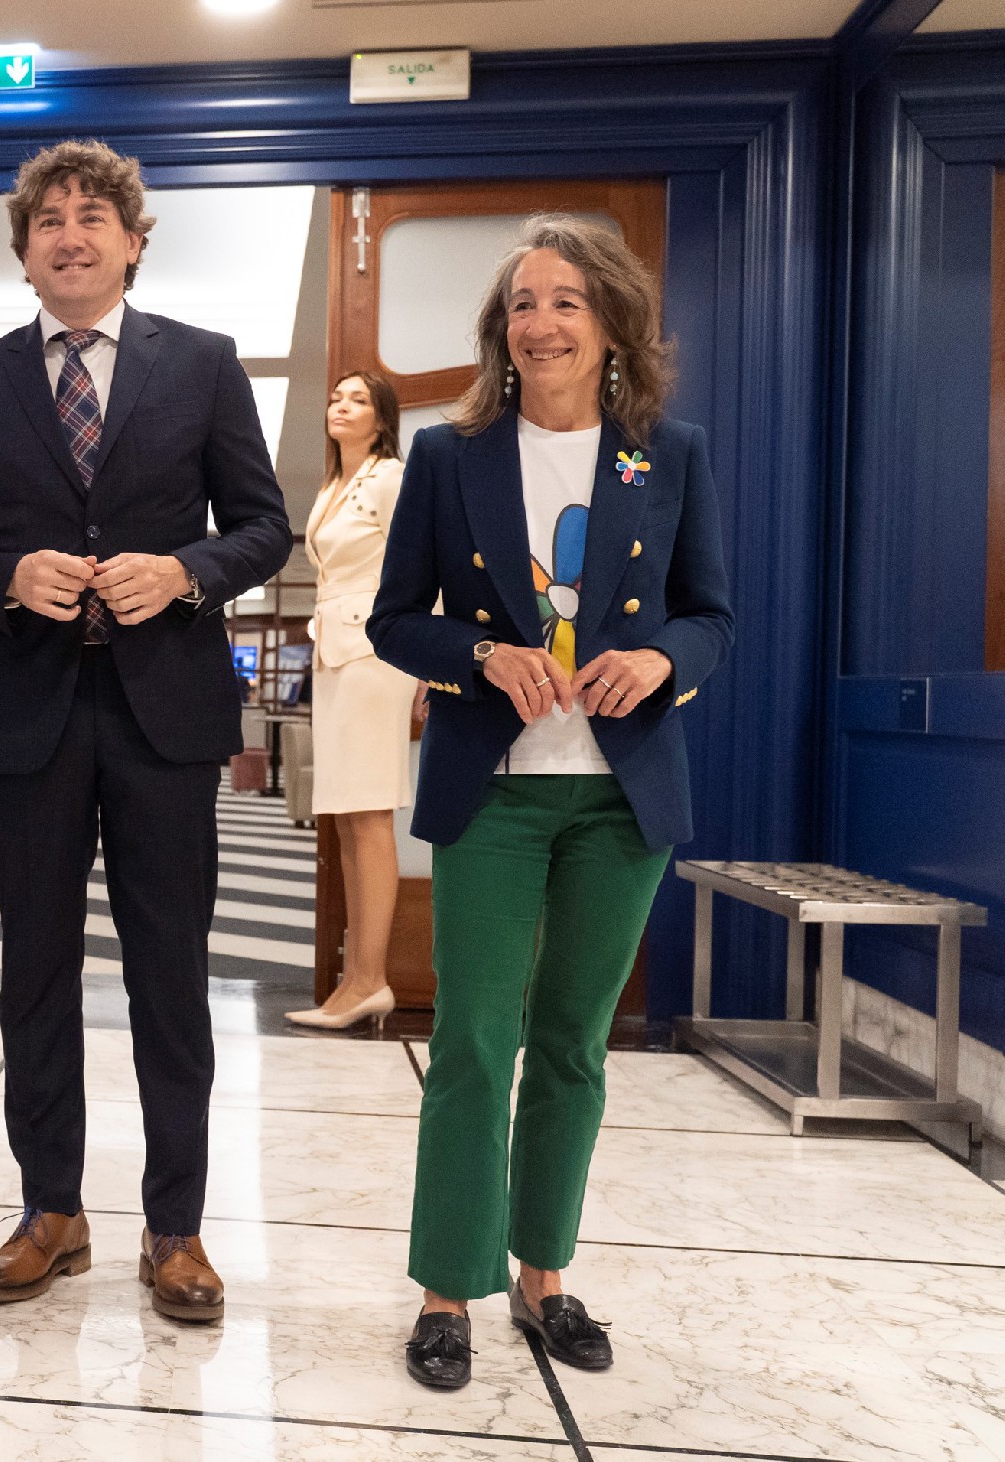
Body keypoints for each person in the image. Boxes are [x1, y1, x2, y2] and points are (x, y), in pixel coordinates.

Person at [0, 140, 293, 1323]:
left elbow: (264, 528)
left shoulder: (206, 364)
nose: (68, 236)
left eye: (92, 217)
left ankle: (174, 1228)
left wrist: (181, 572)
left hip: (163, 718)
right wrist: (0, 579)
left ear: (133, 239)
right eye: (47, 222)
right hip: (28, 716)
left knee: (170, 976)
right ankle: (51, 1211)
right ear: (23, 253)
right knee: (32, 971)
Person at [367, 215, 732, 1389]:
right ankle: (445, 1291)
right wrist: (473, 657)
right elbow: (392, 617)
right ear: (500, 331)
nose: (539, 322)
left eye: (565, 300)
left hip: (618, 796)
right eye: (521, 304)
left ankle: (543, 1275)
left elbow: (709, 614)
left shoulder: (664, 454)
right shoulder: (446, 454)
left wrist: (660, 662)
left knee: (572, 1046)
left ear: (611, 321)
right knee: (472, 1042)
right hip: (496, 793)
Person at [286, 370, 413, 1033]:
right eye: (335, 396)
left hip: (375, 655)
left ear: (382, 418)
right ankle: (356, 979)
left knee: (368, 817)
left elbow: (426, 569)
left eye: (358, 399)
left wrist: (426, 667)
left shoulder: (392, 478)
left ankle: (369, 979)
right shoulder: (335, 483)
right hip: (335, 652)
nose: (341, 405)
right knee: (342, 817)